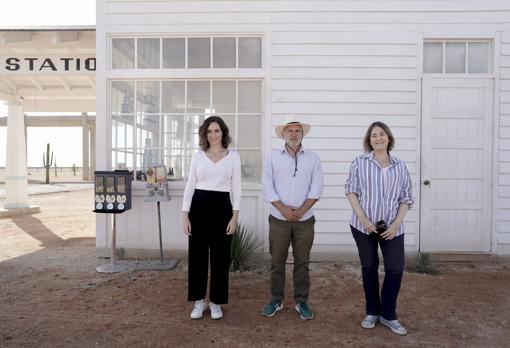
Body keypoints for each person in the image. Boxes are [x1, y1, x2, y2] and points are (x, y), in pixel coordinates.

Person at [345, 121, 414, 335]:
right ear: (369, 140)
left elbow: (407, 198)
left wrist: (395, 225)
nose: (378, 138)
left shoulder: (400, 165)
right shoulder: (359, 162)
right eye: (373, 135)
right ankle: (372, 311)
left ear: (388, 138)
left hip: (392, 228)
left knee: (395, 269)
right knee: (369, 268)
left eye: (381, 134)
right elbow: (351, 191)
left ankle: (388, 314)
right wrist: (364, 220)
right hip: (363, 227)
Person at [261, 115, 323, 320]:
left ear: (302, 134)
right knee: (277, 261)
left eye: (297, 131)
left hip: (305, 220)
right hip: (279, 218)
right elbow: (267, 186)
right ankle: (276, 299)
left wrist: (302, 210)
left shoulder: (313, 158)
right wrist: (283, 209)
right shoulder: (272, 157)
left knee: (302, 262)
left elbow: (317, 187)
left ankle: (301, 301)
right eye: (290, 130)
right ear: (283, 135)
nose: (294, 134)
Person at [182, 116, 241, 320]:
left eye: (217, 131)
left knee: (220, 258)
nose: (213, 135)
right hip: (198, 208)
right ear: (204, 134)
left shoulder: (233, 157)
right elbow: (190, 185)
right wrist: (185, 215)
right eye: (209, 131)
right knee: (197, 257)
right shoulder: (198, 157)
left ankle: (216, 302)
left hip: (223, 209)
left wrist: (234, 217)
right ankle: (199, 301)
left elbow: (237, 189)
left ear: (223, 132)